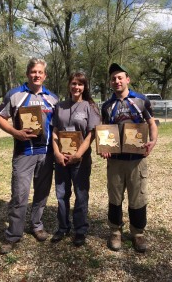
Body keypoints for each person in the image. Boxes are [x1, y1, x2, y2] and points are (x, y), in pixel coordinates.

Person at [0, 58, 58, 254]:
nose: (36, 75)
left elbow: (58, 127)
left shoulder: (53, 98)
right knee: (20, 195)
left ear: (45, 75)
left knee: (42, 194)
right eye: (33, 72)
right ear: (27, 73)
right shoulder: (15, 95)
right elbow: (0, 118)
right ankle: (13, 234)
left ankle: (37, 226)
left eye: (40, 72)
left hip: (46, 154)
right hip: (24, 153)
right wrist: (16, 132)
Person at [101, 63, 158, 253]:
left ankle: (138, 233)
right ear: (110, 83)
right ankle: (115, 231)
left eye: (120, 77)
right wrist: (104, 148)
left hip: (137, 160)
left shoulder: (141, 101)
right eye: (113, 79)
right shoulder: (107, 106)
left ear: (127, 79)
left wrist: (153, 141)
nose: (116, 81)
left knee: (137, 197)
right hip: (116, 161)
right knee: (115, 197)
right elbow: (104, 131)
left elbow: (151, 123)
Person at [51, 72, 100, 246]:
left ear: (84, 87)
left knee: (81, 195)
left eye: (80, 84)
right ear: (69, 85)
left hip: (81, 160)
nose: (76, 87)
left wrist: (79, 154)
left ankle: (80, 230)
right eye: (73, 83)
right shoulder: (60, 106)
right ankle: (63, 228)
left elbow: (92, 134)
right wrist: (56, 152)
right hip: (62, 159)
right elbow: (55, 131)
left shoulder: (90, 107)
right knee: (62, 194)